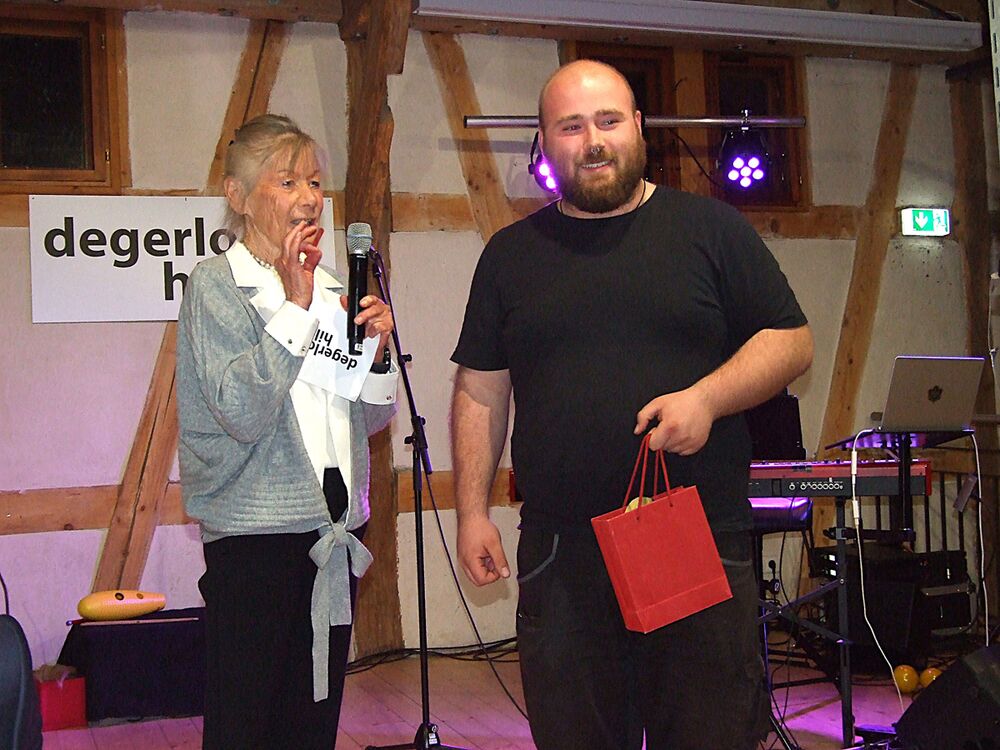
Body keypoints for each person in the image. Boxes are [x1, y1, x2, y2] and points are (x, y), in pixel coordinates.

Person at [450, 60, 813, 750]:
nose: (593, 141)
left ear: (639, 127)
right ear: (544, 142)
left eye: (609, 120)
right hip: (563, 555)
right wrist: (471, 513)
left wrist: (707, 399)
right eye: (571, 126)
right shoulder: (509, 256)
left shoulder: (711, 230)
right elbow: (480, 388)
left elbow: (792, 340)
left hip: (697, 540)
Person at [176, 114, 398, 750]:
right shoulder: (217, 286)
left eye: (315, 182)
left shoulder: (332, 287)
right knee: (247, 727)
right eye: (288, 182)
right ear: (239, 196)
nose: (309, 198)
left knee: (311, 726)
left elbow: (368, 420)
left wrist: (377, 353)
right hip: (256, 543)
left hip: (333, 534)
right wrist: (296, 310)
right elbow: (240, 411)